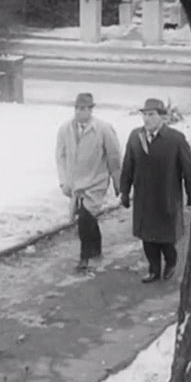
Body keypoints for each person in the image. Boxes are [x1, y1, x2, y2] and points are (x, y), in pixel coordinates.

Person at [119, 98, 191, 283]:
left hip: (166, 196)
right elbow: (128, 165)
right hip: (144, 198)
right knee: (147, 238)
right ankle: (154, 269)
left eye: (152, 114)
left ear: (162, 116)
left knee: (165, 239)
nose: (147, 119)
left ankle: (171, 262)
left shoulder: (175, 139)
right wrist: (124, 191)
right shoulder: (135, 137)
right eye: (145, 115)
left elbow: (188, 169)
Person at [56, 93, 122, 271]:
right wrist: (63, 182)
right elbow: (60, 156)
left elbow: (114, 156)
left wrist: (118, 181)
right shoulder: (65, 129)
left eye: (84, 108)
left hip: (96, 181)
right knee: (87, 218)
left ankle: (84, 257)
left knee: (85, 217)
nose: (80, 112)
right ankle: (96, 249)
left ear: (91, 110)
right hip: (75, 183)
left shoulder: (103, 129)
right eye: (78, 108)